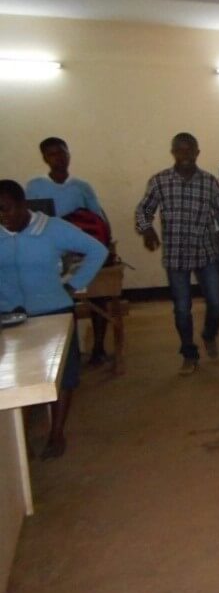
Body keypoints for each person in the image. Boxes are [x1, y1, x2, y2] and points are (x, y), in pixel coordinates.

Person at [0, 180, 108, 458]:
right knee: (16, 379)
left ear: (23, 204)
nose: (3, 216)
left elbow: (98, 250)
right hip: (10, 316)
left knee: (62, 377)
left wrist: (74, 284)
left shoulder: (53, 228)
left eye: (6, 209)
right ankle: (20, 438)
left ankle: (56, 433)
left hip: (53, 312)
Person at [135, 133, 219, 375]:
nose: (185, 155)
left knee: (216, 303)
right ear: (173, 152)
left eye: (189, 150)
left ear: (197, 152)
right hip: (175, 255)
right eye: (180, 150)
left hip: (206, 252)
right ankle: (189, 353)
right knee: (182, 309)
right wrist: (147, 230)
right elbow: (143, 211)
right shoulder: (160, 181)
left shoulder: (209, 182)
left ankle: (209, 334)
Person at [27, 137, 112, 366]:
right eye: (52, 154)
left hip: (78, 252)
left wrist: (106, 247)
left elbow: (98, 219)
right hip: (49, 254)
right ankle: (64, 351)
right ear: (45, 158)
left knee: (98, 295)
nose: (59, 158)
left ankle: (98, 348)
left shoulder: (81, 186)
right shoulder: (35, 186)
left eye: (62, 152)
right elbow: (29, 221)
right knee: (60, 303)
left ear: (69, 154)